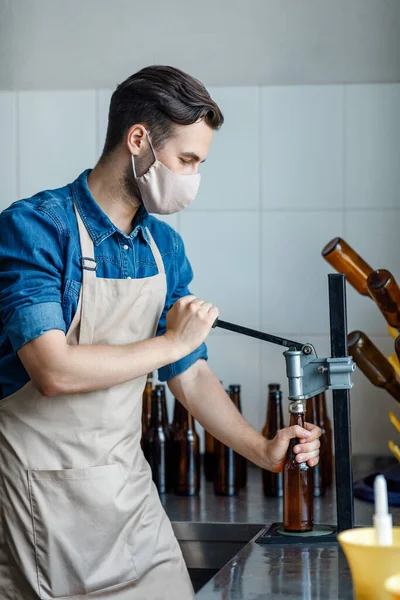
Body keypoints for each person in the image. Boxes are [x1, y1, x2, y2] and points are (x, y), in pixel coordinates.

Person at [0, 65, 321, 599]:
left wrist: (262, 449)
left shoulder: (163, 249)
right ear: (139, 140)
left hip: (130, 500)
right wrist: (172, 342)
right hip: (41, 502)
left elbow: (189, 374)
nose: (193, 177)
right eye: (188, 159)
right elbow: (52, 369)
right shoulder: (36, 227)